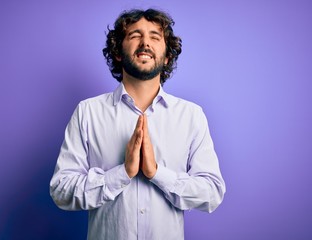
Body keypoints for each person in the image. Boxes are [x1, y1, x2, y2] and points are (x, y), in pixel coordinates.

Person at [50, 8, 226, 240]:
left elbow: (212, 193)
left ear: (167, 56)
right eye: (134, 35)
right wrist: (122, 173)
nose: (145, 43)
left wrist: (156, 173)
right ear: (118, 53)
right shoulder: (88, 112)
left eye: (155, 37)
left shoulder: (191, 115)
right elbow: (61, 190)